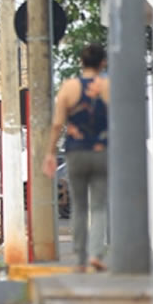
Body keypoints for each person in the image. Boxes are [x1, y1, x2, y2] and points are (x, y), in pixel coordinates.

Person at [43, 43, 109, 272]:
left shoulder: (69, 87)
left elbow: (57, 124)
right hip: (102, 152)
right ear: (103, 63)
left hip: (75, 152)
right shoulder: (109, 87)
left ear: (81, 62)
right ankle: (96, 253)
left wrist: (50, 153)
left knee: (79, 206)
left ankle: (80, 258)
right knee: (99, 206)